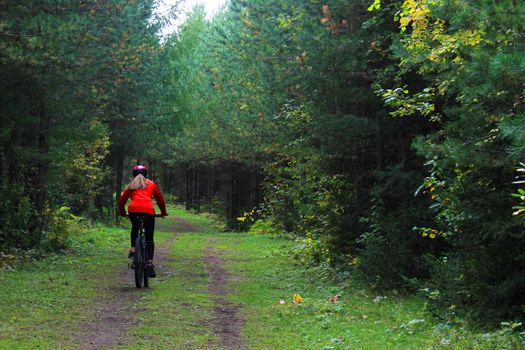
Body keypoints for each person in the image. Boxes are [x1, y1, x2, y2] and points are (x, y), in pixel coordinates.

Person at [118, 163, 168, 277]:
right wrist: (163, 212)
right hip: (149, 211)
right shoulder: (150, 184)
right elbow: (160, 199)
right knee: (149, 237)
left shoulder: (130, 185)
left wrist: (123, 213)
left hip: (133, 211)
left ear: (133, 174)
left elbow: (121, 201)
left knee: (135, 227)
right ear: (145, 174)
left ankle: (133, 248)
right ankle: (149, 262)